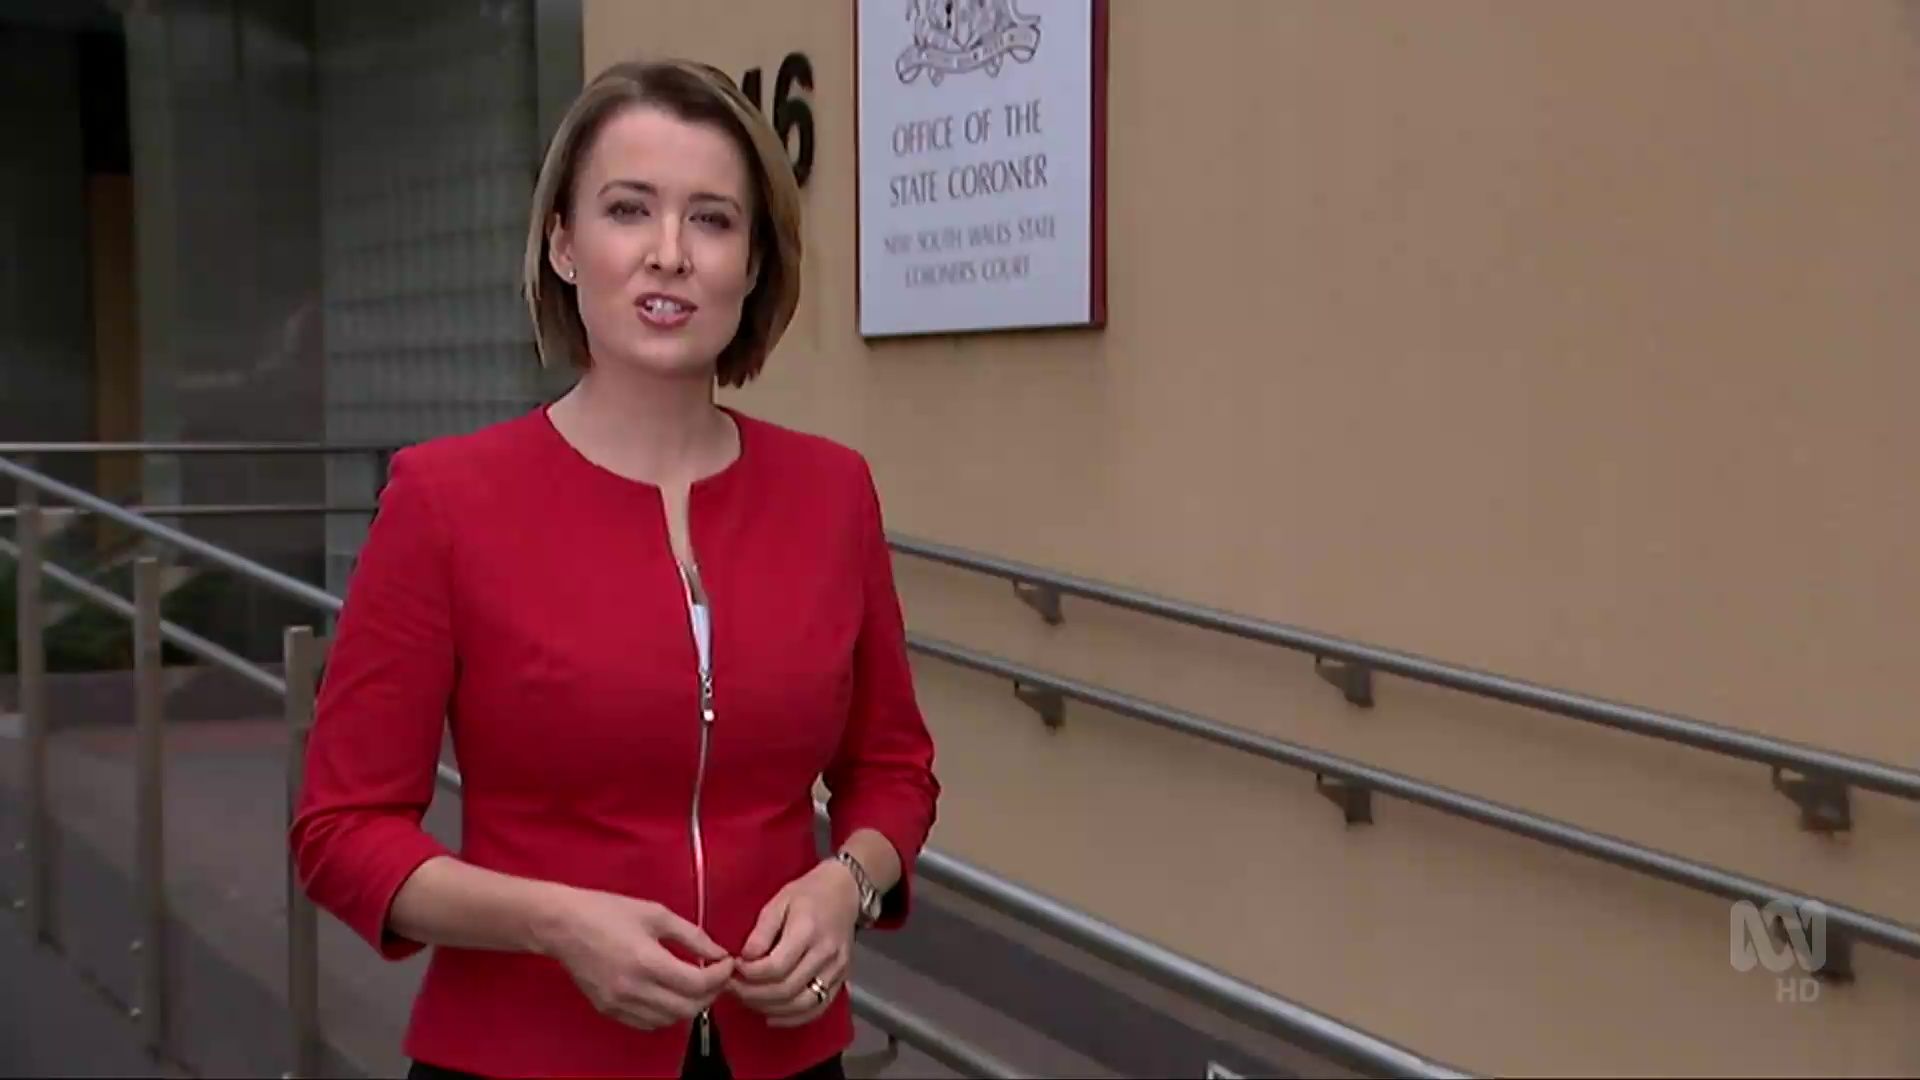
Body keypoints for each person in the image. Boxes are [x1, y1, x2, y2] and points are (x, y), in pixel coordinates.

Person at [289, 57, 941, 1080]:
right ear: (563, 243)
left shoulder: (832, 493)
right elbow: (342, 831)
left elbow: (892, 769)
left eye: (713, 220)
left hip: (783, 1056)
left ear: (755, 263)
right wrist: (553, 923)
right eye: (629, 210)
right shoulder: (445, 501)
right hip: (519, 1057)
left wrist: (845, 885)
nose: (669, 254)